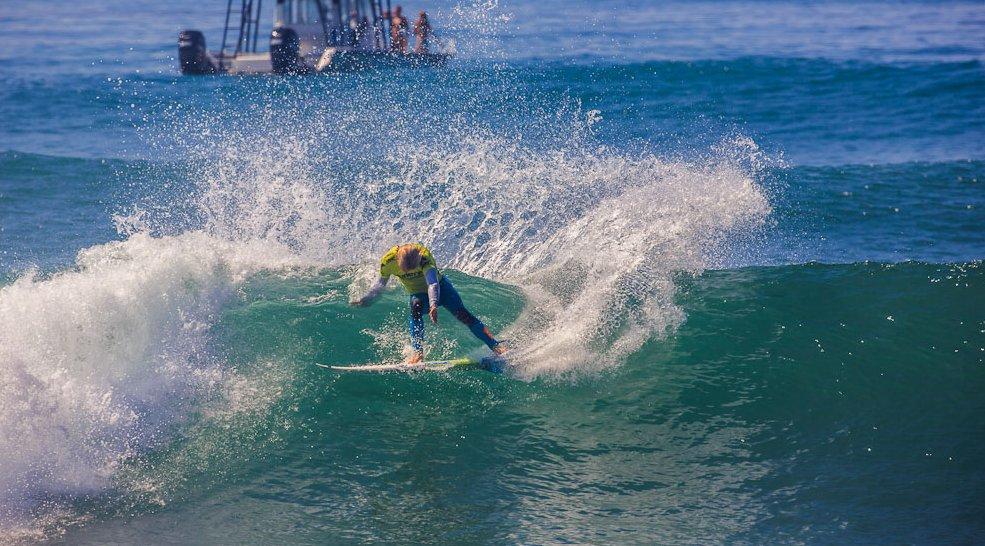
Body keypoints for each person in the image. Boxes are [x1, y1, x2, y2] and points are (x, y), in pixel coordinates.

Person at [352, 243, 506, 363]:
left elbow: (433, 284)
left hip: (442, 289)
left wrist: (433, 305)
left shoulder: (424, 256)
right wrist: (367, 298)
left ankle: (496, 346)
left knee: (463, 315)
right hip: (417, 293)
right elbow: (380, 283)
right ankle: (418, 353)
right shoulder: (388, 261)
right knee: (416, 310)